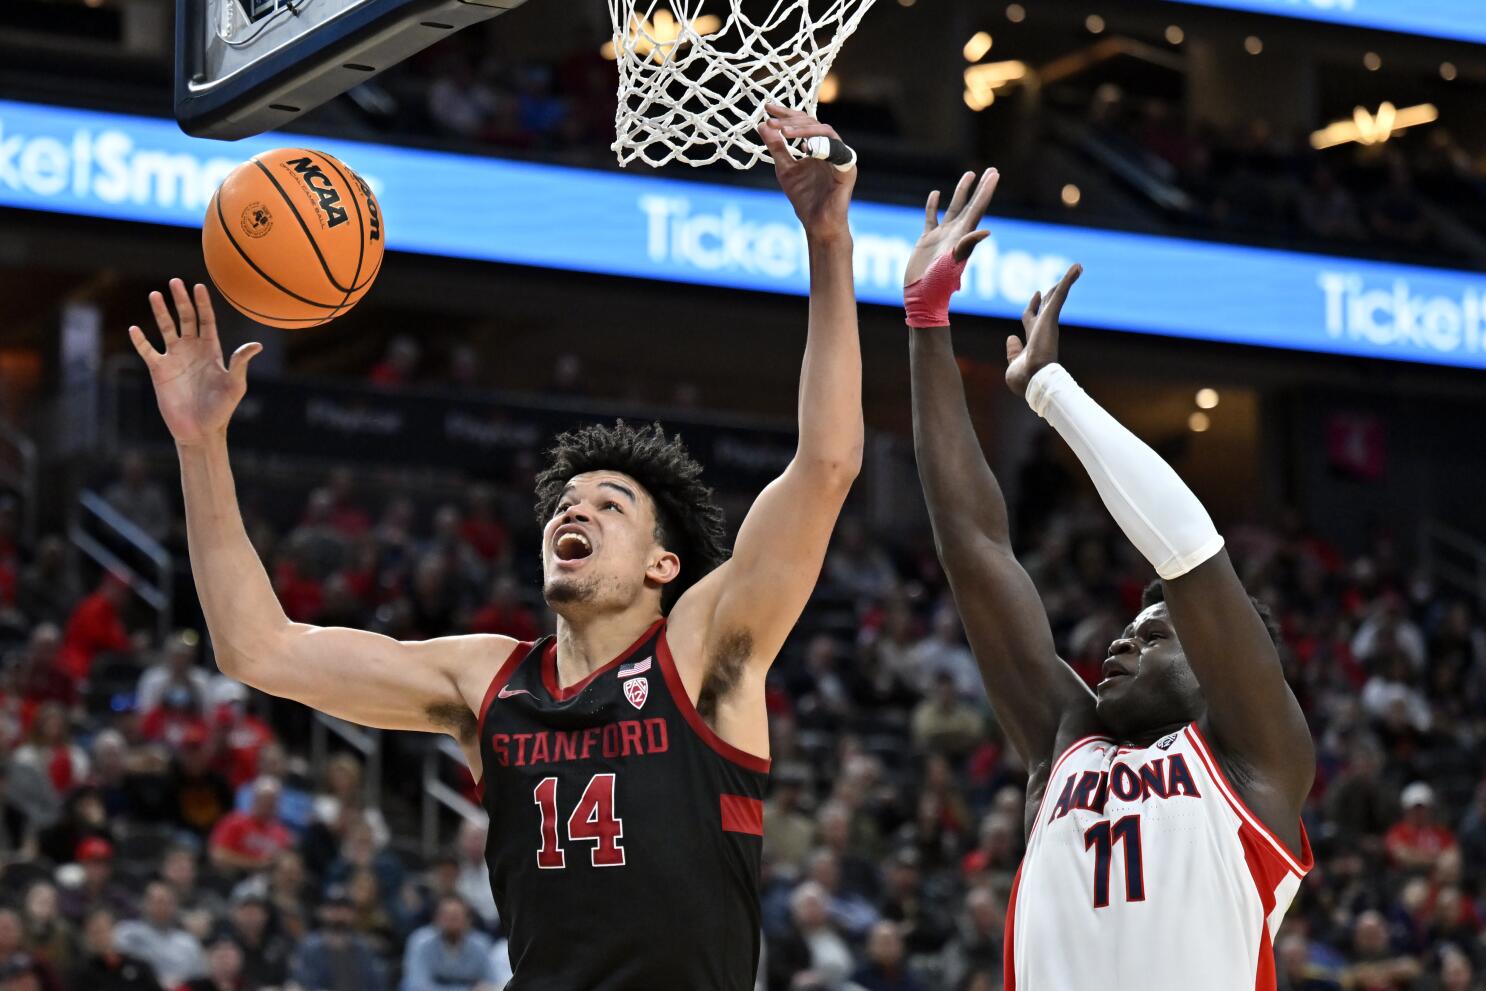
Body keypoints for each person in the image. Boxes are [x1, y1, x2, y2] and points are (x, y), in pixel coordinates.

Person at [128, 103, 862, 991]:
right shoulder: (488, 683)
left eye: (610, 502)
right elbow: (258, 647)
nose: (571, 510)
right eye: (564, 500)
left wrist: (829, 240)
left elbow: (824, 465)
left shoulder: (701, 650)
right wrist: (202, 446)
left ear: (664, 566)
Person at [906, 167, 1314, 989]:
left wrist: (1052, 391)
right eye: (1132, 625)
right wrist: (926, 320)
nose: (1122, 638)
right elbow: (975, 546)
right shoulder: (1067, 741)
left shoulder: (1260, 765)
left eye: (1157, 632)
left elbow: (1191, 553)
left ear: (1219, 665)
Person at [400, 897, 498, 991]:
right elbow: (417, 986)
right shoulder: (420, 942)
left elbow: (493, 983)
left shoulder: (480, 944)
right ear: (436, 919)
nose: (450, 922)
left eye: (455, 917)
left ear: (468, 920)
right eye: (446, 917)